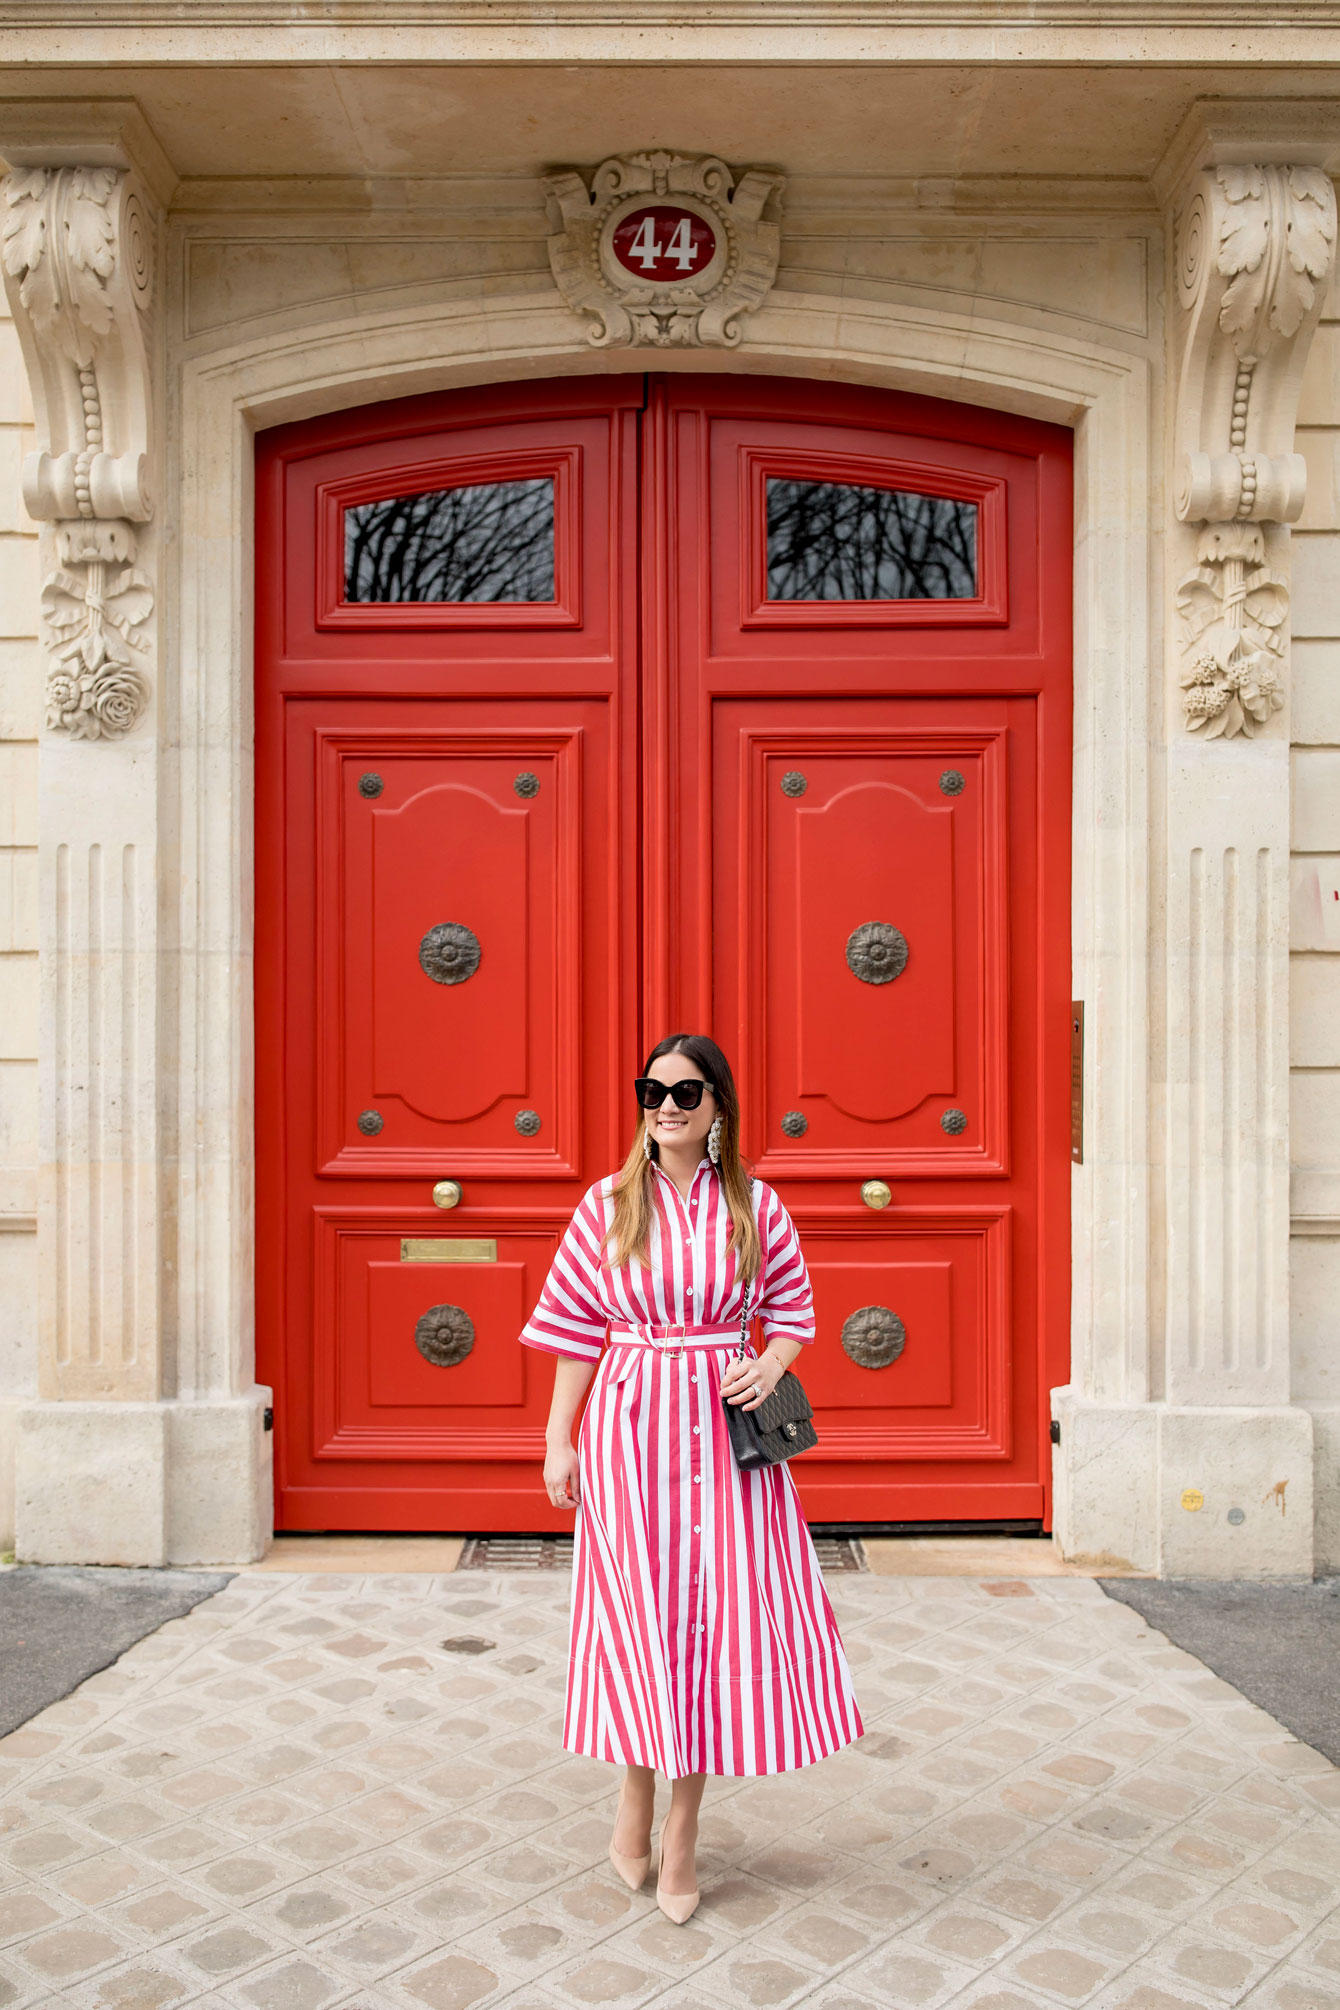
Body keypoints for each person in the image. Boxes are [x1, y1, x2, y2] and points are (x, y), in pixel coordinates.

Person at [520, 1033, 864, 1924]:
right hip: (630, 1435)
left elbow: (793, 1309)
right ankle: (632, 1800)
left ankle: (683, 1829)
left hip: (724, 1446)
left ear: (719, 1106)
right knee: (640, 1623)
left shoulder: (754, 1204)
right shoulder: (607, 1204)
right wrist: (559, 1440)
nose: (666, 1105)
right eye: (652, 1090)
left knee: (715, 1630)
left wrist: (772, 1359)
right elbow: (574, 1335)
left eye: (686, 1091)